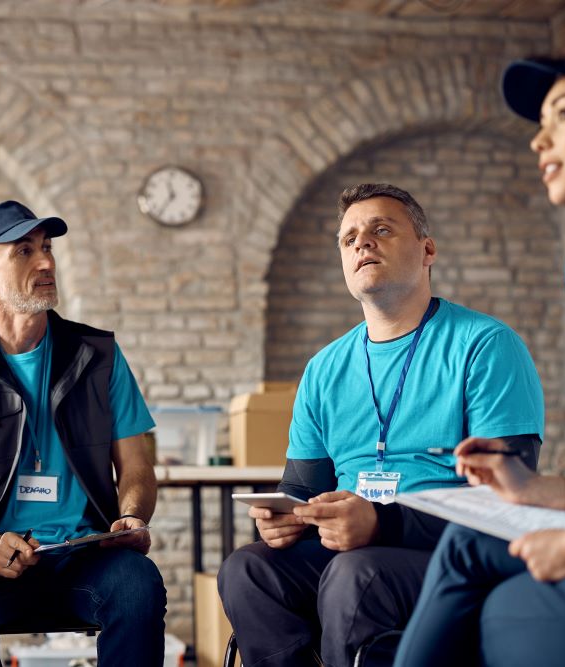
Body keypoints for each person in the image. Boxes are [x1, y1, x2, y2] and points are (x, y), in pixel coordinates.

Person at [394, 44, 565, 667]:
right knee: (466, 547)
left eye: (564, 113)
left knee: (496, 614)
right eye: (540, 123)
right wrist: (543, 488)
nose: (540, 140)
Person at [217, 183, 546, 667]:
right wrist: (285, 517)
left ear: (427, 250)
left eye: (382, 230)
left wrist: (381, 522)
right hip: (349, 554)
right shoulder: (324, 369)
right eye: (349, 238)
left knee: (356, 574)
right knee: (248, 570)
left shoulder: (486, 346)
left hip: (449, 552)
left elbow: (507, 498)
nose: (362, 243)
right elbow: (302, 486)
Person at [0, 200, 166, 667]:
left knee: (138, 585)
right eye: (24, 251)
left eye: (47, 248)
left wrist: (131, 516)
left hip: (86, 552)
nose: (46, 262)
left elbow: (136, 467)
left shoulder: (100, 355)